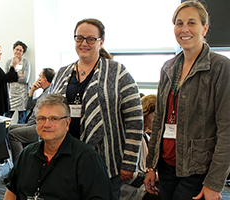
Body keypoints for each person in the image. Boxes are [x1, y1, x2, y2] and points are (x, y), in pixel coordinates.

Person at [48, 18, 143, 199]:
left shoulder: (118, 72)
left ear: (101, 41)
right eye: (79, 38)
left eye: (91, 39)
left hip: (106, 161)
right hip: (65, 158)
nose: (84, 43)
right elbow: (49, 110)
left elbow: (135, 121)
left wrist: (130, 162)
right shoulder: (62, 73)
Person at [145, 1, 230, 200]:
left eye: (192, 23)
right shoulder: (168, 68)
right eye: (179, 23)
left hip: (198, 170)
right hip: (166, 167)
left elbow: (227, 130)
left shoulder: (220, 68)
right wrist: (151, 166)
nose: (184, 29)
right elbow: (158, 123)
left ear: (205, 28)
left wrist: (214, 182)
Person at [4, 94, 113, 200]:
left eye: (54, 119)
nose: (46, 124)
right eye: (41, 118)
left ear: (67, 123)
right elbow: (12, 191)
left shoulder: (88, 159)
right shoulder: (27, 154)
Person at [8, 68, 55, 164]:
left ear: (45, 79)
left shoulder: (48, 94)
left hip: (38, 127)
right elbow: (28, 106)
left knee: (13, 134)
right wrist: (32, 91)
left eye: (39, 76)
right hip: (31, 123)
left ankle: (19, 168)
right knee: (11, 127)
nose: (38, 79)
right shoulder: (44, 92)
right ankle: (26, 160)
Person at [120, 94, 157, 200]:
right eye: (155, 116)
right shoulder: (132, 137)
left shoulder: (146, 137)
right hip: (128, 193)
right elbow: (128, 177)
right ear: (145, 112)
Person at [4, 41, 31, 123]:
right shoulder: (8, 62)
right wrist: (19, 75)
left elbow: (25, 79)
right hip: (11, 94)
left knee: (22, 119)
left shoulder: (26, 63)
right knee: (6, 118)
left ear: (23, 52)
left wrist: (13, 76)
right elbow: (7, 78)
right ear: (13, 49)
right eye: (17, 49)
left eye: (21, 50)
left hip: (22, 95)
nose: (18, 52)